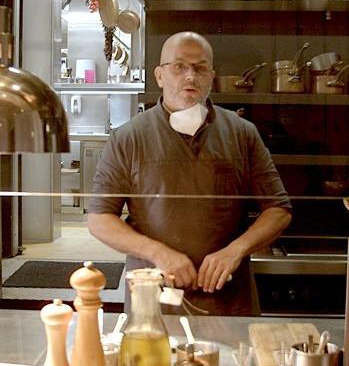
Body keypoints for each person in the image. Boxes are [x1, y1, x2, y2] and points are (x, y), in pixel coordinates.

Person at [86, 31, 292, 315]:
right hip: (153, 299)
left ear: (211, 76)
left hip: (228, 300)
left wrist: (235, 251)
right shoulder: (128, 137)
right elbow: (99, 219)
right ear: (160, 75)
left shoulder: (242, 133)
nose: (190, 76)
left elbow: (279, 209)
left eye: (200, 68)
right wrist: (158, 253)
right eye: (179, 66)